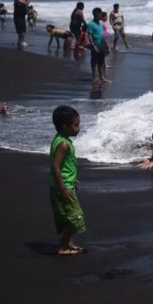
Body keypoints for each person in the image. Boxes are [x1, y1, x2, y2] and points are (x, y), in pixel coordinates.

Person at [49, 105, 87, 255]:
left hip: (65, 184)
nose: (79, 128)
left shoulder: (60, 139)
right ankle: (64, 247)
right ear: (65, 127)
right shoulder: (64, 144)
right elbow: (56, 167)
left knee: (69, 215)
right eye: (76, 125)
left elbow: (65, 166)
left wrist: (72, 180)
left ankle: (69, 243)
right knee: (74, 216)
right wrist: (63, 188)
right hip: (62, 187)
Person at [84, 8, 111, 85]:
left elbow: (103, 36)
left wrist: (106, 45)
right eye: (99, 14)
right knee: (94, 62)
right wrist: (93, 46)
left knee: (101, 62)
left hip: (102, 45)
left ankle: (102, 77)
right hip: (95, 46)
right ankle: (94, 78)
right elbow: (89, 35)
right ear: (95, 14)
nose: (100, 15)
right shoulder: (91, 24)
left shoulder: (100, 24)